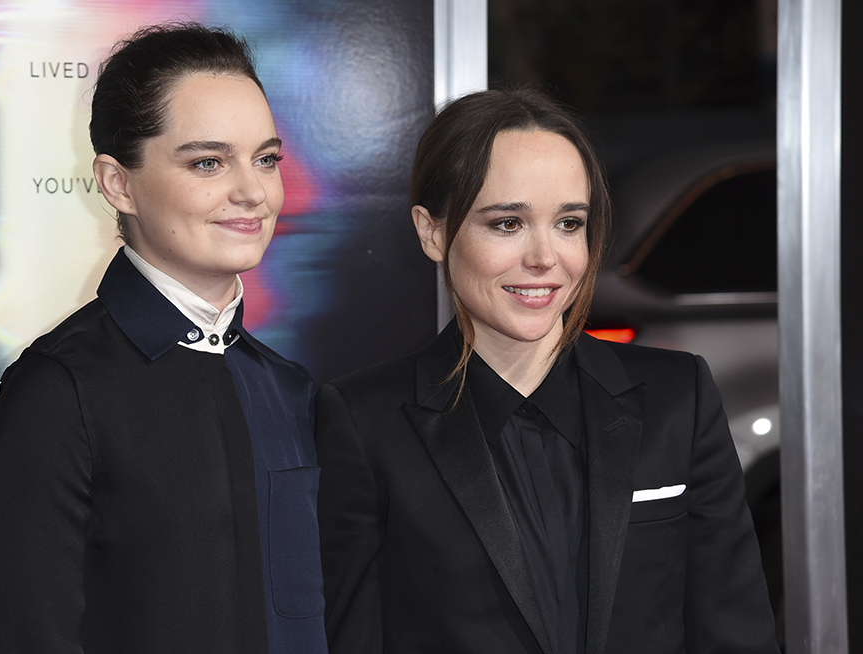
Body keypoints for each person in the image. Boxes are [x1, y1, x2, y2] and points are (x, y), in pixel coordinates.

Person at [316, 88, 779, 654]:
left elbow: (735, 633)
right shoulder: (363, 422)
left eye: (568, 223)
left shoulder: (678, 398)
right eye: (508, 224)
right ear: (432, 232)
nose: (545, 257)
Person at [0, 22, 327, 654]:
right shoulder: (58, 389)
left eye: (267, 159)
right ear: (118, 183)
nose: (252, 191)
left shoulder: (291, 388)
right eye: (208, 162)